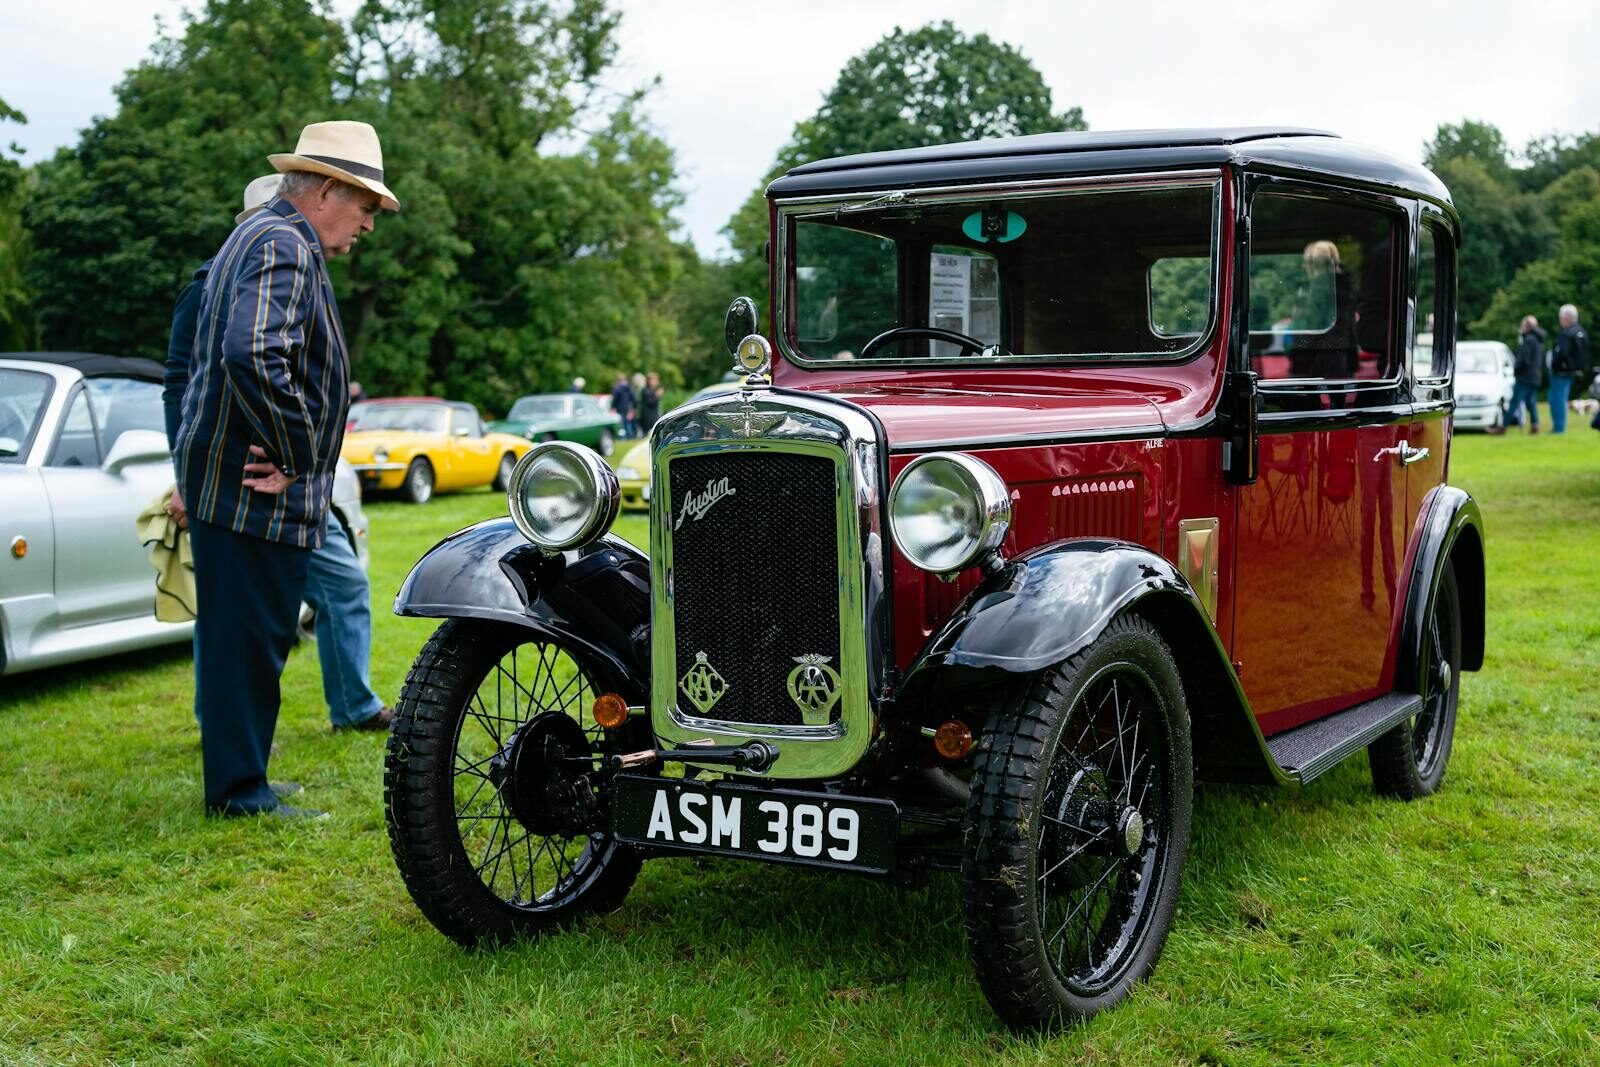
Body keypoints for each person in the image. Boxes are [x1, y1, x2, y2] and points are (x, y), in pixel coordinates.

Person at [171, 120, 398, 818]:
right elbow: (252, 352)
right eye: (365, 207)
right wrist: (297, 451)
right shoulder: (282, 244)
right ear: (328, 189)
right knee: (250, 641)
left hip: (234, 489)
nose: (367, 224)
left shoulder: (267, 235)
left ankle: (244, 777)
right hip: (251, 492)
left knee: (249, 638)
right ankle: (241, 792)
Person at [1549, 304, 1590, 434]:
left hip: (1561, 371)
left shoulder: (1567, 333)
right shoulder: (1581, 331)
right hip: (1573, 371)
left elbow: (1562, 353)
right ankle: (1559, 427)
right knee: (1561, 397)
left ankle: (1559, 428)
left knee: (1558, 399)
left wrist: (1555, 364)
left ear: (1565, 318)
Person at [1511, 315, 1545, 433]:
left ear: (1526, 326)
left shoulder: (1529, 340)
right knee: (1531, 402)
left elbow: (1524, 359)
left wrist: (1516, 369)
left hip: (1525, 376)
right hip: (1534, 376)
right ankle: (1535, 425)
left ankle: (1502, 426)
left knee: (1514, 401)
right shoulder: (1538, 339)